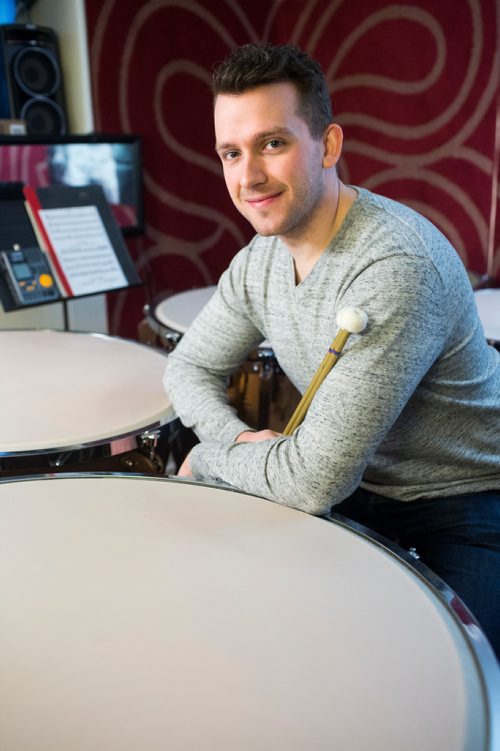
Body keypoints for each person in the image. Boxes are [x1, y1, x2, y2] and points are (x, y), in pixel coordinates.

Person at [163, 43, 500, 658]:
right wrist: (236, 442)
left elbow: (313, 480)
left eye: (273, 144)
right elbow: (190, 365)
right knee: (258, 632)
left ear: (329, 145)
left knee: (438, 679)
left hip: (465, 499)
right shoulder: (259, 262)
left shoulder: (395, 266)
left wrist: (209, 462)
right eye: (231, 153)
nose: (248, 177)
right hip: (355, 485)